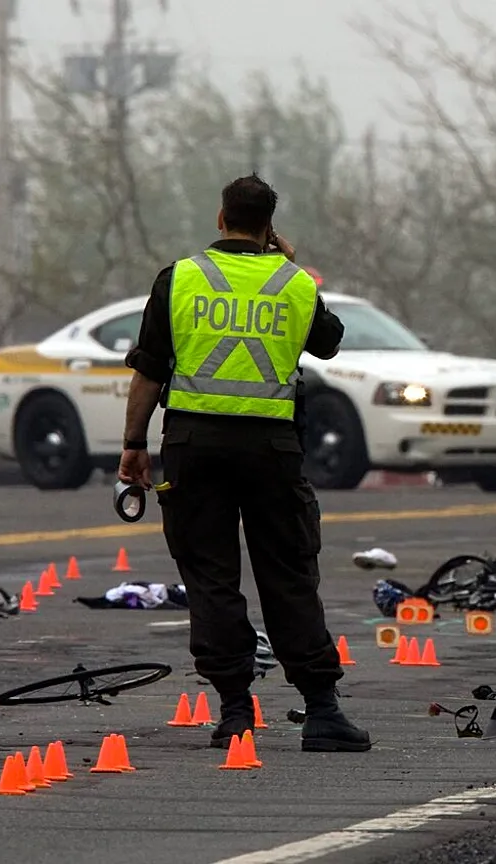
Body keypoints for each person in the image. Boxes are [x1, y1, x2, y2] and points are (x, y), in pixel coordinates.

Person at [116, 174, 370, 753]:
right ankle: (322, 711)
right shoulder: (295, 283)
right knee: (288, 572)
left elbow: (150, 370)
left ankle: (235, 711)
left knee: (210, 575)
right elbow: (328, 343)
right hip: (272, 451)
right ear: (268, 226)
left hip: (193, 446)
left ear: (220, 217)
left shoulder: (179, 278)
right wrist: (288, 266)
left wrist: (134, 444)